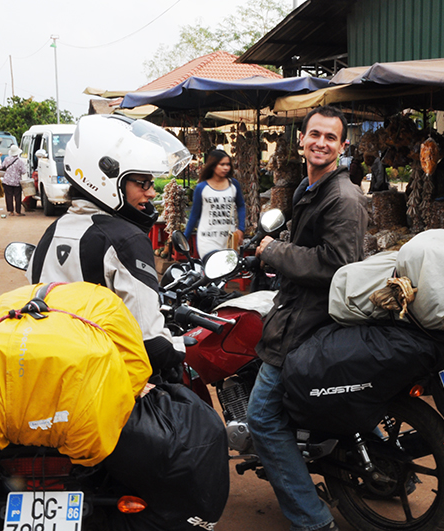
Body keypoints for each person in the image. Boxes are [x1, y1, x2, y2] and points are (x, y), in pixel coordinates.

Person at [247, 105, 368, 531]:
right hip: (296, 310)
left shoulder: (343, 196)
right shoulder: (308, 188)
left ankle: (313, 521)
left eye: (330, 137)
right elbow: (307, 244)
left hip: (307, 324)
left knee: (261, 417)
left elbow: (338, 264)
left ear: (342, 145)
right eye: (314, 134)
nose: (320, 143)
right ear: (301, 140)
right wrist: (273, 247)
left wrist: (276, 252)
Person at [27, 114, 191, 382]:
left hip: (56, 378)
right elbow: (150, 343)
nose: (151, 193)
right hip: (108, 387)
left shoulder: (52, 232)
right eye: (143, 182)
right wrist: (181, 346)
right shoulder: (126, 240)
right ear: (105, 178)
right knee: (201, 421)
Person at [184, 149, 246, 258]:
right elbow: (194, 215)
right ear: (213, 166)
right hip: (207, 240)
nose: (226, 167)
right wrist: (184, 238)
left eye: (228, 164)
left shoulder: (233, 185)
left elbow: (241, 205)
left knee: (228, 271)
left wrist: (241, 229)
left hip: (229, 240)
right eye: (222, 164)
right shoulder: (201, 188)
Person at [0, 145, 26, 216]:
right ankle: (18, 211)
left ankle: (11, 211)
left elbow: (2, 167)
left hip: (7, 180)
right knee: (18, 196)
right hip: (17, 181)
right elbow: (24, 171)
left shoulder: (6, 159)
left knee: (8, 196)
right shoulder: (20, 161)